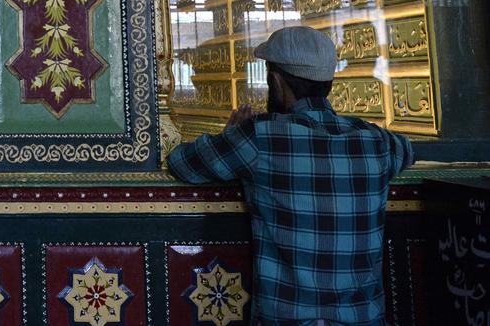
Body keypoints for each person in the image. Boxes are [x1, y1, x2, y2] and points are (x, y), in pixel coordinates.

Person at [168, 26, 414, 326]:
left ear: (276, 80)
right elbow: (408, 150)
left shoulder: (260, 137)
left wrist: (231, 136)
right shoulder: (377, 143)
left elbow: (181, 162)